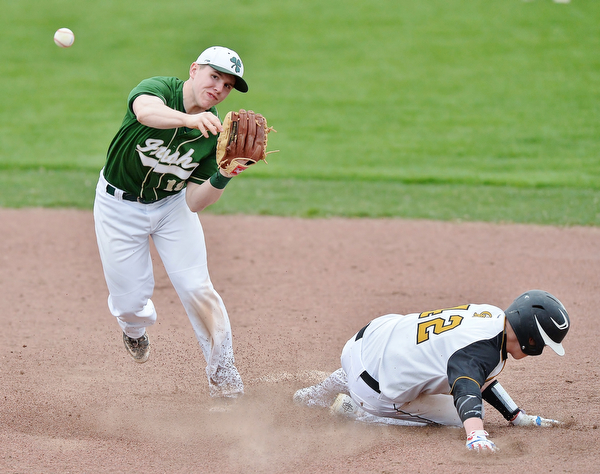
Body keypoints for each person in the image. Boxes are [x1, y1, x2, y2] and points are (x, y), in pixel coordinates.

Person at [93, 46, 251, 399]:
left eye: (227, 86)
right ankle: (133, 330)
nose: (219, 89)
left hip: (172, 206)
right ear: (194, 70)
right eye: (214, 77)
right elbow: (146, 112)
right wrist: (189, 120)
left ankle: (225, 379)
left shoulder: (217, 135)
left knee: (198, 288)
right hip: (118, 207)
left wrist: (226, 173)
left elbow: (196, 201)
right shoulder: (160, 89)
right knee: (130, 301)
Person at [293, 290, 570, 452]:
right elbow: (466, 385)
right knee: (457, 416)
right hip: (372, 388)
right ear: (530, 338)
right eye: (542, 343)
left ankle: (313, 395)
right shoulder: (480, 352)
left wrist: (515, 415)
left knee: (413, 357)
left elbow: (479, 374)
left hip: (365, 341)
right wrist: (475, 434)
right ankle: (356, 411)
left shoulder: (492, 316)